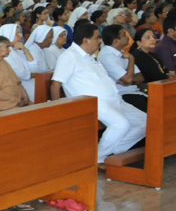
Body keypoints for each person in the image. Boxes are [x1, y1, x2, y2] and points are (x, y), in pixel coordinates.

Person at [51, 24, 146, 164]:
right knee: (121, 124)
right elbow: (55, 84)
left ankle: (112, 152)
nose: (99, 41)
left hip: (114, 99)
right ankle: (96, 158)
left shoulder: (89, 56)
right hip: (92, 102)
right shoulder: (69, 56)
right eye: (97, 38)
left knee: (145, 121)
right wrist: (57, 110)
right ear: (86, 40)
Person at [98, 25, 147, 112]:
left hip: (134, 92)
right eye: (124, 35)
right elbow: (128, 79)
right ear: (116, 41)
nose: (127, 36)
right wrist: (131, 59)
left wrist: (130, 80)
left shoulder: (122, 53)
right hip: (123, 95)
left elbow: (140, 77)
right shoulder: (107, 55)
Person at [0, 24, 37, 101]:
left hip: (32, 86)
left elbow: (35, 68)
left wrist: (25, 49)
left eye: (20, 33)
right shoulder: (5, 55)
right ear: (8, 35)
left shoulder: (18, 50)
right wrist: (35, 74)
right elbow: (24, 74)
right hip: (20, 91)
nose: (20, 36)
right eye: (17, 34)